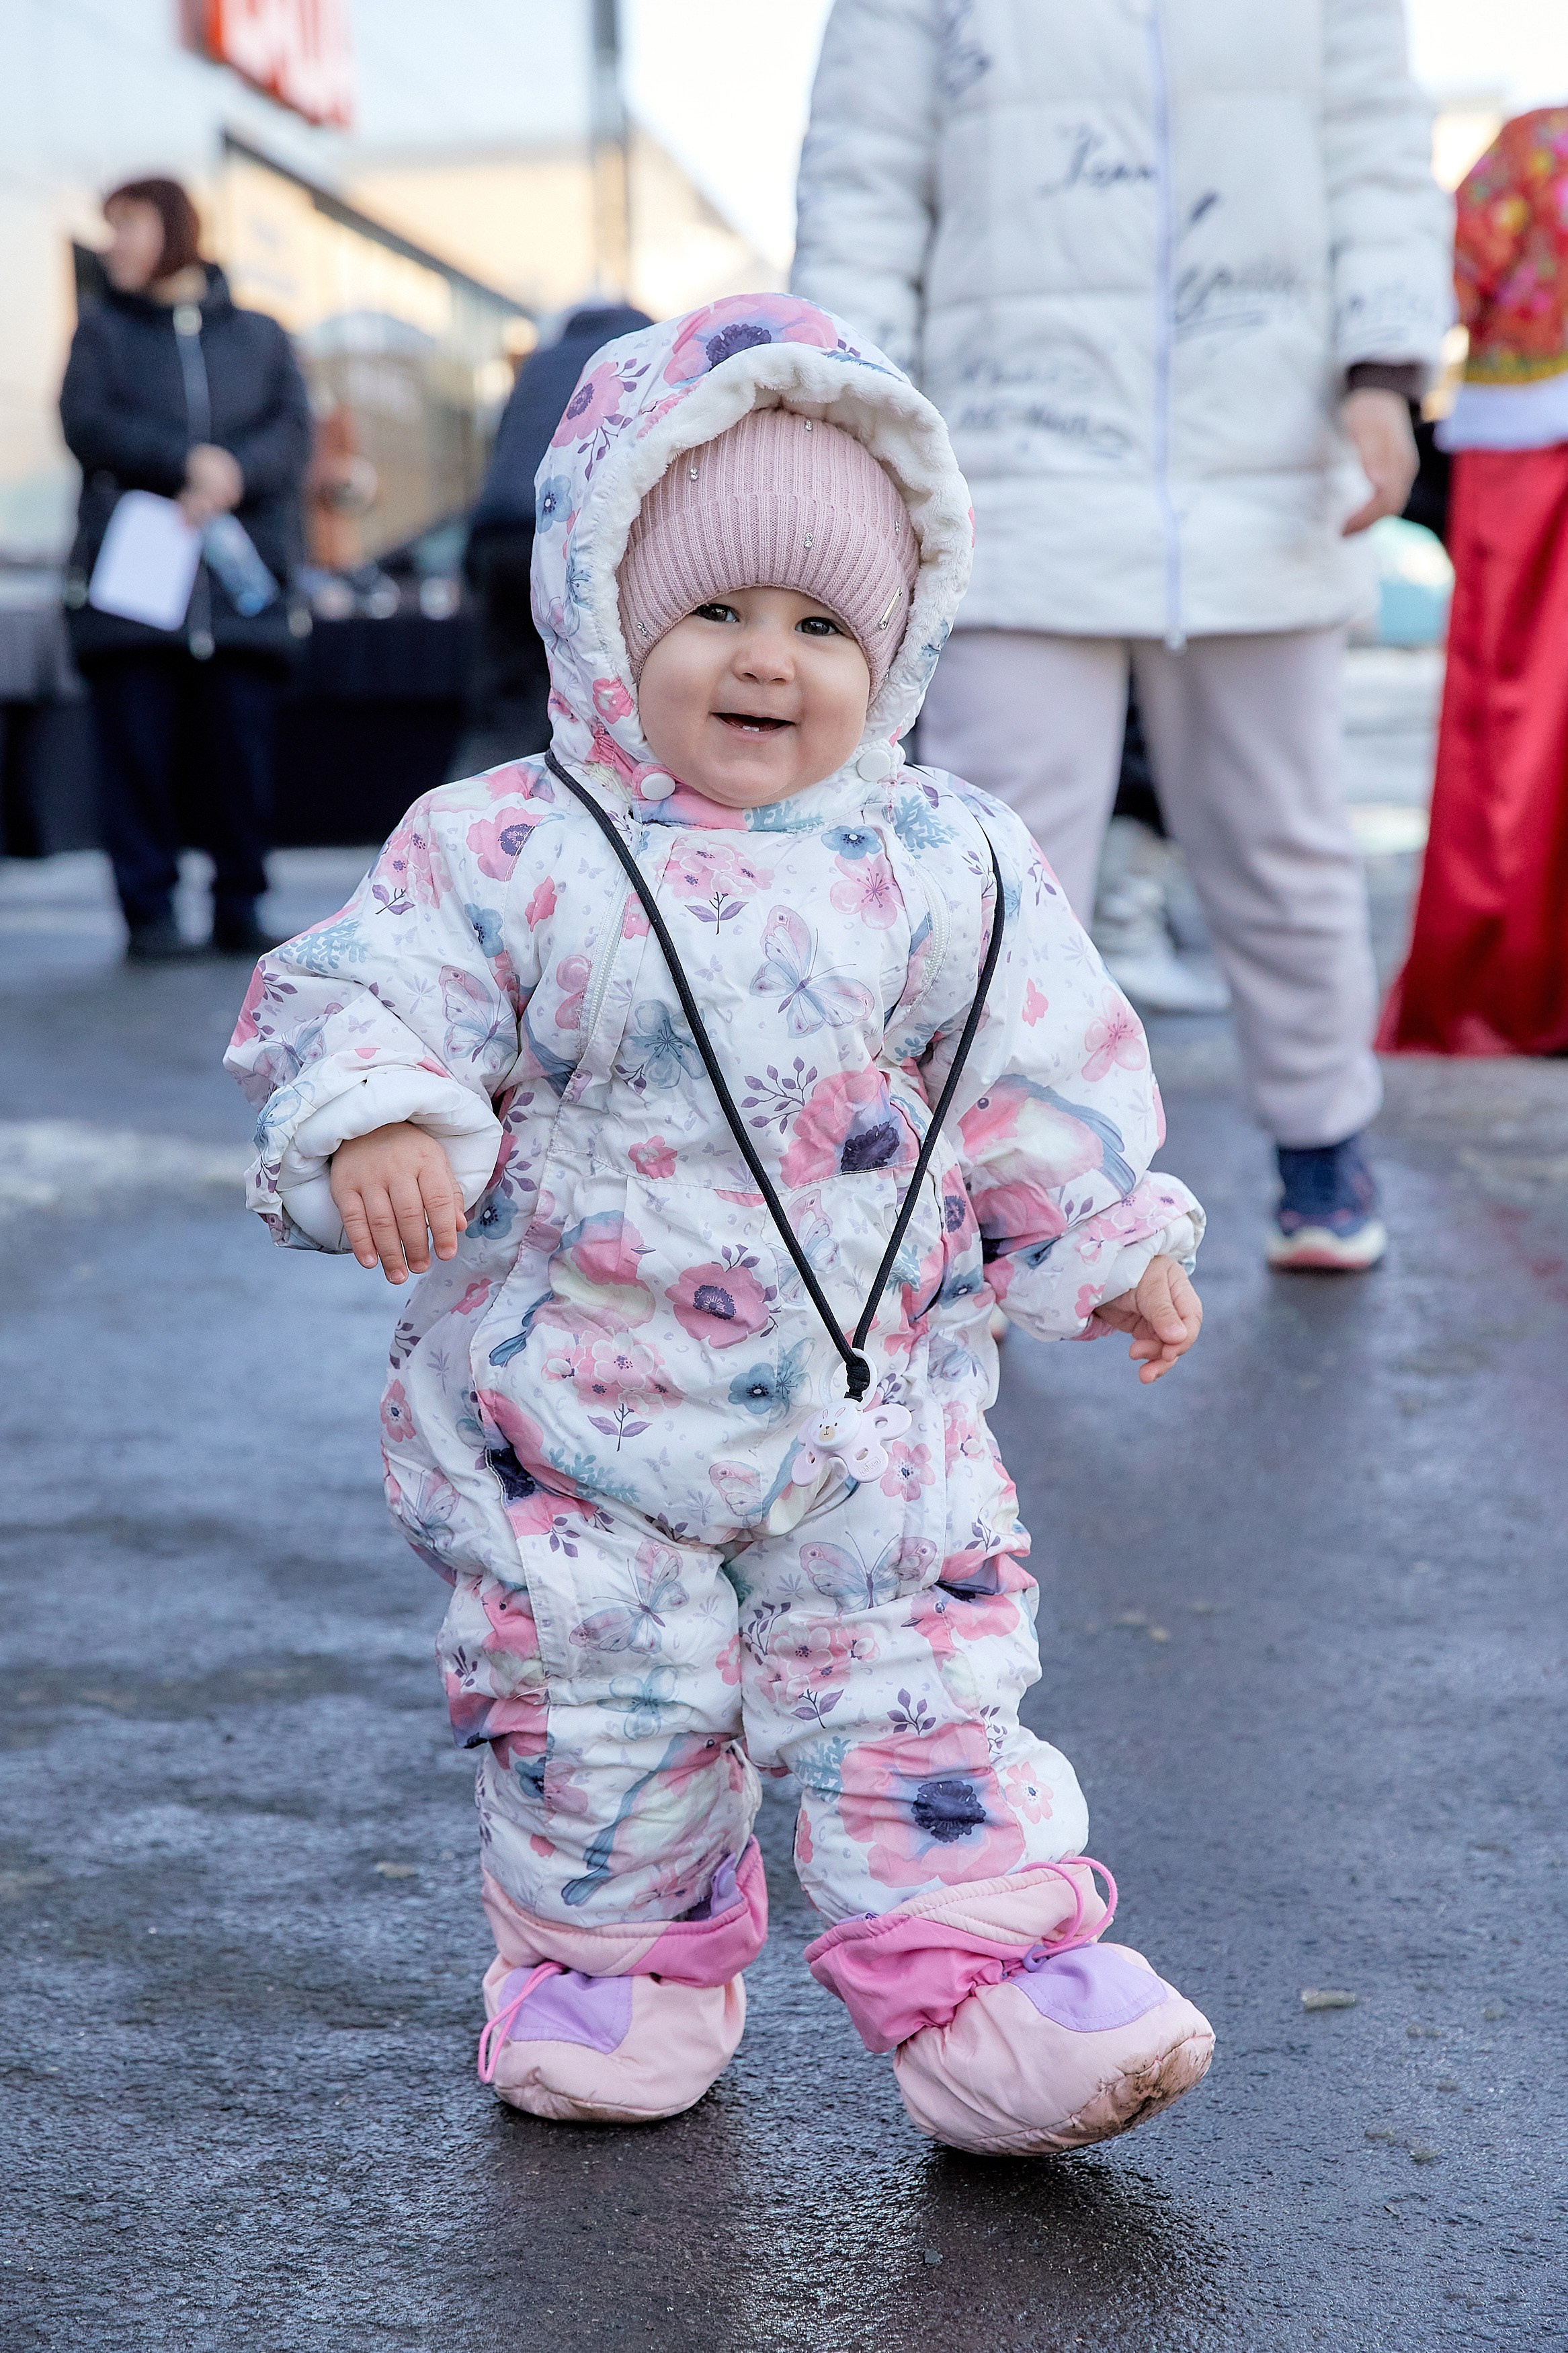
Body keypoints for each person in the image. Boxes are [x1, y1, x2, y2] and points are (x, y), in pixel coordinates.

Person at [226, 296, 1214, 2154]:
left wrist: (1102, 1234)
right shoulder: (500, 847)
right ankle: (610, 1969)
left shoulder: (944, 858)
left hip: (872, 1426)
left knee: (922, 1695)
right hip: (580, 1429)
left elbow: (1036, 1068)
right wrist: (376, 1114)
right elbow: (362, 996)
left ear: (896, 642)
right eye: (715, 613)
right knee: (598, 1719)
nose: (767, 662)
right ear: (605, 613)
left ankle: (997, 1992)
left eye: (821, 624)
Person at [792, 0, 1451, 1271]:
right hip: (1010, 465)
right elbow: (863, 180)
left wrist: (1383, 369)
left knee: (1283, 840)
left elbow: (1375, 144)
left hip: (1266, 453)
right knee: (990, 864)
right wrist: (852, 405)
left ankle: (1321, 1141)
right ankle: (981, 1189)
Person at [60, 177, 311, 961]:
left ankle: (240, 903)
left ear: (171, 228)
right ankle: (150, 914)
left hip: (240, 593)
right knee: (135, 752)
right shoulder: (100, 332)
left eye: (127, 224)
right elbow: (85, 421)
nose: (114, 245)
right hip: (134, 591)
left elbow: (292, 432)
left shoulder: (262, 335)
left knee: (240, 755)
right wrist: (182, 461)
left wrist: (233, 472)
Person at [1379, 109, 1568, 1057]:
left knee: (1513, 720)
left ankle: (1501, 984)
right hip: (1523, 451)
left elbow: (1446, 284)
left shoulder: (1533, 148)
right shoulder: (1535, 146)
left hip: (1523, 452)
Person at [457, 303, 651, 774]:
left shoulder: (540, 363)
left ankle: (463, 824)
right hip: (569, 531)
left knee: (502, 700)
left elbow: (501, 450)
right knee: (581, 697)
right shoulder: (642, 355)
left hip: (497, 533)